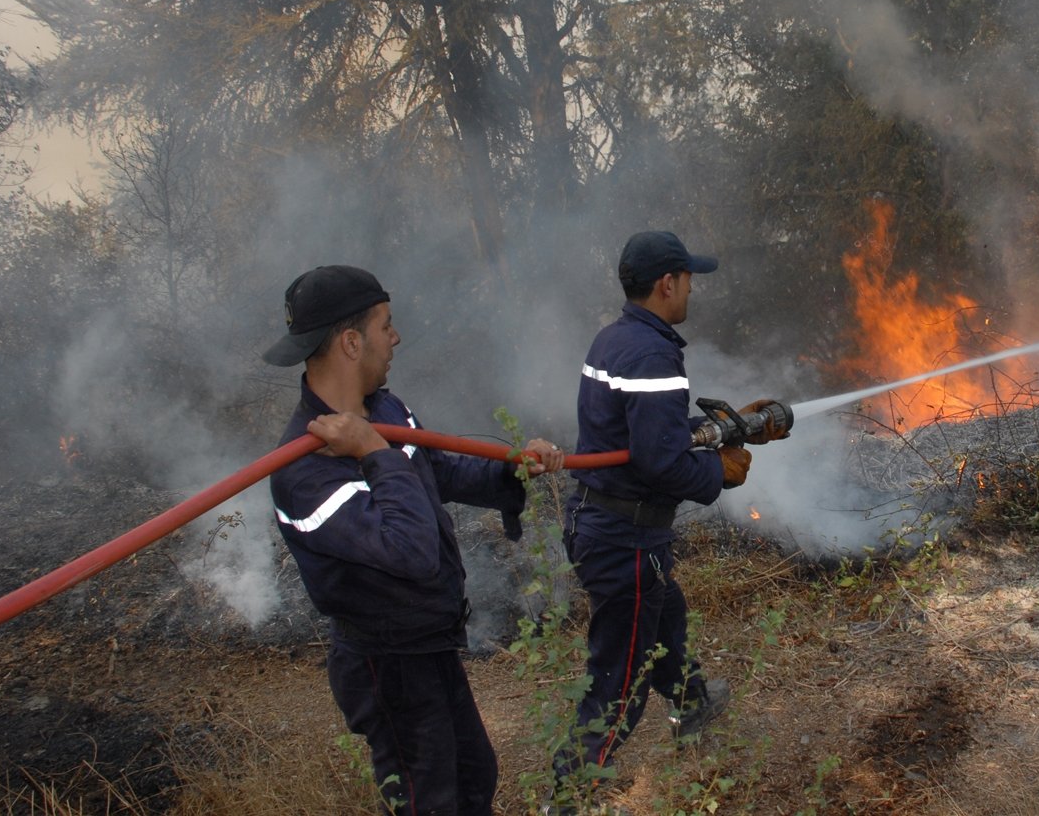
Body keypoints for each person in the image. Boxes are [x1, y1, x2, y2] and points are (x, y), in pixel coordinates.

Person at [263, 264, 564, 816]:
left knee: (475, 776)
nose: (395, 337)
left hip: (428, 643)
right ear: (352, 342)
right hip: (386, 662)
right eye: (385, 325)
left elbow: (435, 472)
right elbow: (410, 551)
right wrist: (373, 453)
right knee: (432, 802)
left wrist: (511, 472)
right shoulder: (303, 473)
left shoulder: (385, 409)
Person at [550, 231, 787, 806]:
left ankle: (692, 703)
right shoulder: (654, 353)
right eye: (687, 280)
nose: (690, 290)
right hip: (624, 536)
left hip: (601, 522)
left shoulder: (617, 338)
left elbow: (643, 434)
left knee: (666, 615)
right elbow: (659, 462)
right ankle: (568, 791)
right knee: (621, 676)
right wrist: (718, 474)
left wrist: (723, 429)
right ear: (667, 283)